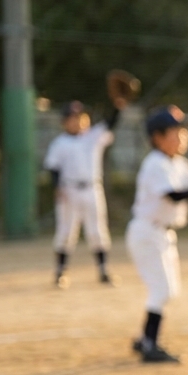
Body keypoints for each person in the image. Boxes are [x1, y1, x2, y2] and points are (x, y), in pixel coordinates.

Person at [126, 106, 188, 364]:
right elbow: (175, 195)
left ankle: (144, 339)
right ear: (157, 137)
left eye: (183, 131)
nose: (182, 136)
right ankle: (149, 344)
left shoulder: (179, 163)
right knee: (161, 289)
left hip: (162, 234)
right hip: (147, 232)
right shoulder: (155, 164)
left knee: (168, 289)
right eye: (175, 131)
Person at [44, 96, 127, 288]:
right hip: (69, 190)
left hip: (92, 189)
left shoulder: (93, 136)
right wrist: (57, 187)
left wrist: (118, 107)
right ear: (65, 122)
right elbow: (53, 168)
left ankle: (103, 270)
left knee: (97, 231)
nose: (78, 120)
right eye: (73, 117)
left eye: (81, 116)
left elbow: (110, 124)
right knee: (66, 232)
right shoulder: (60, 143)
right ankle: (60, 272)